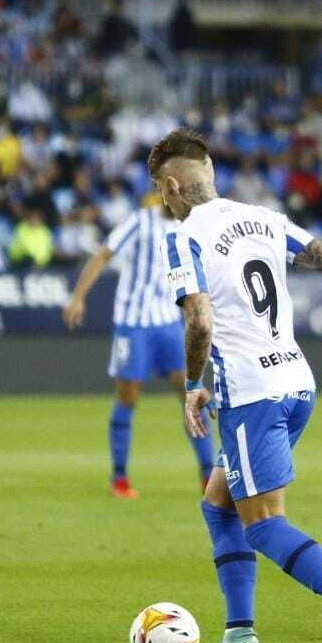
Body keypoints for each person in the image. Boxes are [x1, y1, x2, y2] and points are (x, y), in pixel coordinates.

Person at [148, 128, 322, 643]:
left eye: (163, 192)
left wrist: (191, 383)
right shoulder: (264, 218)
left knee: (261, 525)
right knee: (218, 504)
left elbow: (201, 319)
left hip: (252, 394)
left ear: (171, 186)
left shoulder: (183, 238)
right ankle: (239, 636)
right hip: (297, 382)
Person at [63, 197, 215, 498]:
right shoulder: (139, 221)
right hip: (133, 325)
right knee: (128, 398)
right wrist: (78, 297)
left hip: (169, 325)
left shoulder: (189, 228)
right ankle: (119, 478)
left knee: (192, 395)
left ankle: (208, 475)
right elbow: (102, 255)